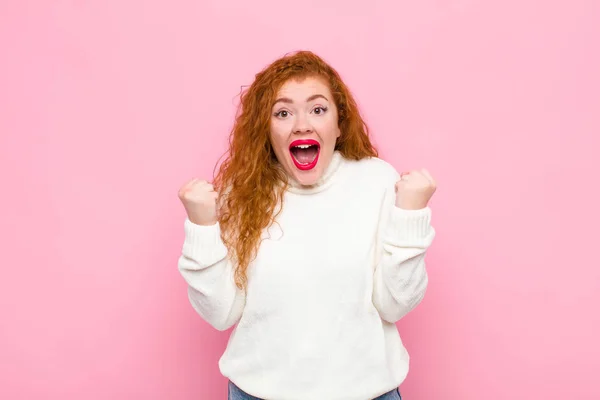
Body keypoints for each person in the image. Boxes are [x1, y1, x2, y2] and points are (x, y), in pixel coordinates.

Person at [177, 50, 437, 400]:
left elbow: (395, 304)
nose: (302, 124)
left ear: (339, 123)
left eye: (318, 109)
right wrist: (202, 227)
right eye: (283, 112)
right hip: (258, 393)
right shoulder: (243, 193)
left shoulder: (376, 181)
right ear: (265, 128)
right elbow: (222, 312)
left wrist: (411, 216)